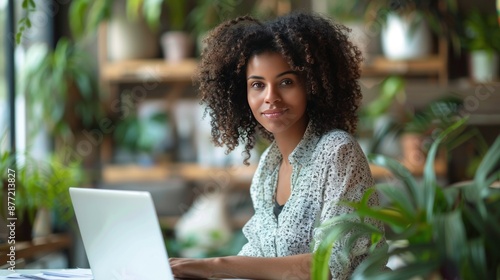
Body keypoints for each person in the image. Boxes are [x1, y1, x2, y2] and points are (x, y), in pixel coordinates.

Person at [170, 11, 384, 279]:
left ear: (311, 86)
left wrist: (211, 266)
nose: (270, 97)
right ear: (243, 94)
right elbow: (259, 256)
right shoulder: (267, 172)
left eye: (286, 82)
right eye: (257, 85)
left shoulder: (337, 152)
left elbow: (328, 265)